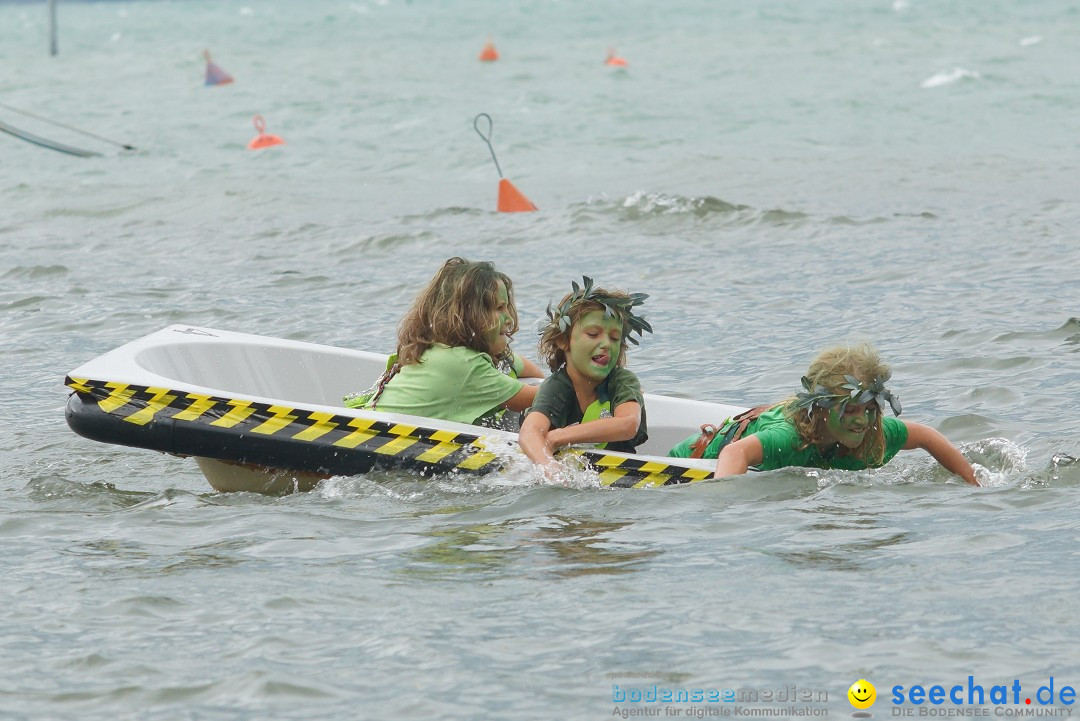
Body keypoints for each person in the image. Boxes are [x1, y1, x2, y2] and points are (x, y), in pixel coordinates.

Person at [668, 343, 979, 485]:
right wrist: (726, 506)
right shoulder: (787, 438)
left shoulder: (875, 432)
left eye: (870, 410)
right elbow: (736, 452)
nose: (862, 420)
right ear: (821, 409)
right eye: (850, 410)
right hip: (690, 460)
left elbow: (926, 436)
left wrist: (972, 484)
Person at [344, 257, 543, 427]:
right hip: (377, 439)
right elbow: (542, 398)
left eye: (507, 307)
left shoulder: (437, 348)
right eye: (499, 308)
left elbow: (529, 370)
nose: (509, 318)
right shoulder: (463, 364)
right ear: (468, 316)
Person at [518, 277, 652, 467]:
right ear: (564, 341)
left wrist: (558, 437)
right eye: (593, 334)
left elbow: (628, 424)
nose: (606, 344)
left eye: (614, 338)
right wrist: (551, 469)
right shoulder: (556, 387)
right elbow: (529, 433)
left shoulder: (623, 381)